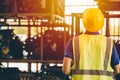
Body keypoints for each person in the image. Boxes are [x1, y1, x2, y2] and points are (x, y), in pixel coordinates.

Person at [62, 8, 120, 80]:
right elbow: (117, 70)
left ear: (84, 22)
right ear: (101, 23)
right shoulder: (109, 43)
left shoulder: (74, 41)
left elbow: (66, 70)